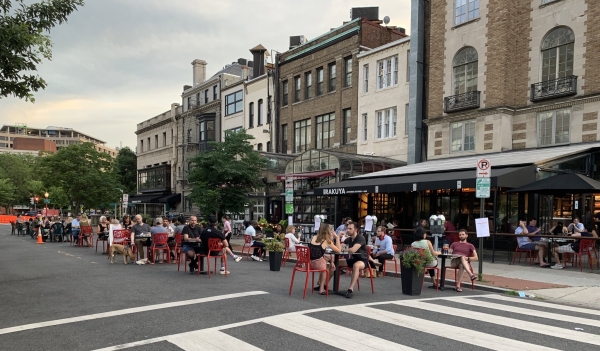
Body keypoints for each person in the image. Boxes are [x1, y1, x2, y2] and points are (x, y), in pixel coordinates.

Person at [338, 221, 369, 299]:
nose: (348, 230)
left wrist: (345, 249)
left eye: (350, 228)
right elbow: (339, 248)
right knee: (336, 262)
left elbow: (353, 250)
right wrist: (337, 237)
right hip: (352, 259)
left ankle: (350, 289)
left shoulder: (360, 237)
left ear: (356, 230)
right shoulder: (348, 239)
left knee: (356, 265)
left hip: (363, 260)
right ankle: (324, 285)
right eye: (347, 228)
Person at [309, 223, 341, 295]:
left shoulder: (314, 237)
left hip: (309, 263)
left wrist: (331, 261)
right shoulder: (326, 240)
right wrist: (337, 238)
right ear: (327, 231)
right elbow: (338, 250)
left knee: (325, 260)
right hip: (317, 264)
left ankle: (319, 282)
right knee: (325, 269)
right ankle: (321, 288)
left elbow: (318, 253)